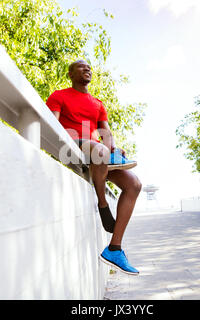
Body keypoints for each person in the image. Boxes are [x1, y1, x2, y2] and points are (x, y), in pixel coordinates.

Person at [46, 60, 142, 275]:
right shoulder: (59, 96)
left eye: (89, 67)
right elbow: (52, 125)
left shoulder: (98, 103)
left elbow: (106, 134)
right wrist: (99, 148)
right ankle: (102, 204)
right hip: (73, 146)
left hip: (98, 154)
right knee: (100, 151)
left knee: (134, 184)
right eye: (81, 67)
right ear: (70, 74)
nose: (86, 69)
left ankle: (114, 249)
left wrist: (115, 148)